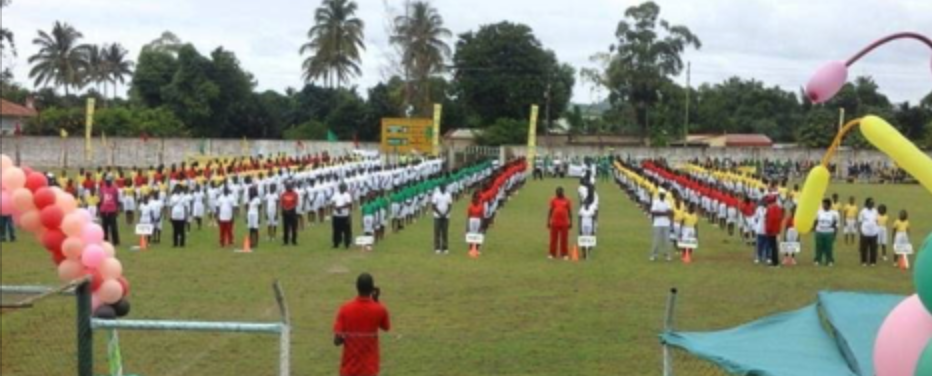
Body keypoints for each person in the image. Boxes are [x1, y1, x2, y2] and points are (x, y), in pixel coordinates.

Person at [333, 273, 391, 376]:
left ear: (357, 287)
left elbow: (337, 341)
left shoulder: (345, 309)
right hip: (369, 369)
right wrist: (376, 301)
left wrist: (344, 338)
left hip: (349, 369)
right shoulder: (379, 309)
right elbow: (386, 327)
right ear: (372, 289)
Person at [547, 187, 572, 260]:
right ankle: (552, 253)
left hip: (564, 223)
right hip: (554, 222)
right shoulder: (553, 200)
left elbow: (569, 212)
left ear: (562, 192)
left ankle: (564, 254)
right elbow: (550, 211)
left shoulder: (567, 200)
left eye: (559, 193)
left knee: (564, 239)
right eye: (557, 193)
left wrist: (571, 222)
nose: (558, 194)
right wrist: (548, 221)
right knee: (553, 239)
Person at [649, 189, 673, 262]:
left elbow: (670, 213)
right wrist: (665, 213)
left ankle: (667, 255)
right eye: (661, 194)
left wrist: (660, 213)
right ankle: (653, 255)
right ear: (659, 195)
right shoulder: (656, 202)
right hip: (657, 224)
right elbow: (653, 213)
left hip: (666, 224)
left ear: (665, 195)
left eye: (663, 194)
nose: (662, 196)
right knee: (656, 240)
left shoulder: (667, 202)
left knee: (667, 240)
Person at [814, 199, 838, 266]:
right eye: (823, 204)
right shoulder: (819, 212)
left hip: (829, 232)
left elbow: (835, 225)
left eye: (825, 204)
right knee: (819, 247)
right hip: (819, 231)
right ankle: (817, 260)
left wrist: (835, 235)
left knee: (828, 247)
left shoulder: (834, 213)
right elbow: (816, 222)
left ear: (829, 205)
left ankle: (829, 261)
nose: (823, 205)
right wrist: (815, 230)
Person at [98, 176, 122, 246]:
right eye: (106, 181)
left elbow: (116, 199)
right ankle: (105, 240)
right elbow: (101, 199)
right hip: (104, 210)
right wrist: (100, 209)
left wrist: (117, 209)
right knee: (104, 226)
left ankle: (116, 241)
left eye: (109, 181)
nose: (108, 182)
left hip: (112, 210)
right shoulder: (102, 188)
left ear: (111, 181)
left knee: (113, 227)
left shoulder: (115, 189)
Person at [431, 183, 453, 255]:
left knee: (445, 232)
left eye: (444, 187)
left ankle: (445, 248)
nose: (443, 188)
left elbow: (450, 206)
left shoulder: (448, 195)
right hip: (437, 216)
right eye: (442, 187)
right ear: (439, 188)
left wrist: (445, 214)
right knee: (437, 232)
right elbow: (433, 206)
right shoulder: (436, 195)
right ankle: (437, 248)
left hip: (446, 216)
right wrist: (440, 214)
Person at [857, 197, 880, 267]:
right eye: (870, 203)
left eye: (873, 203)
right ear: (867, 203)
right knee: (864, 248)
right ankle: (864, 261)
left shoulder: (875, 211)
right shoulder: (863, 211)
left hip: (874, 233)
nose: (872, 204)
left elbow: (877, 221)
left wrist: (877, 229)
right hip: (865, 233)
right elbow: (860, 222)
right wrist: (860, 231)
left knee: (873, 248)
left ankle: (873, 262)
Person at [332, 183, 353, 249]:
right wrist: (335, 207)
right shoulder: (336, 194)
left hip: (345, 215)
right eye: (341, 187)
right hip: (336, 215)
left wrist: (340, 207)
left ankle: (347, 243)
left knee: (346, 230)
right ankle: (336, 243)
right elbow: (333, 202)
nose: (342, 188)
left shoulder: (347, 195)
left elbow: (349, 204)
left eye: (343, 187)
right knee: (336, 230)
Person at [578, 187, 597, 260]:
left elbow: (593, 219)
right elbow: (579, 218)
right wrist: (579, 228)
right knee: (582, 239)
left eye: (587, 203)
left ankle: (588, 251)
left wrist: (593, 228)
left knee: (591, 239)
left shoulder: (592, 209)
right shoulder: (582, 209)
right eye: (584, 202)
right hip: (583, 225)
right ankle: (583, 253)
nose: (585, 204)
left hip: (590, 225)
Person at [764, 196, 783, 267]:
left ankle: (775, 262)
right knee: (774, 247)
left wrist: (768, 230)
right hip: (776, 230)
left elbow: (770, 220)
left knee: (773, 247)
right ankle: (774, 261)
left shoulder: (771, 209)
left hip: (771, 231)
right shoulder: (778, 208)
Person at [280, 182, 299, 246]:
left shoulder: (295, 194)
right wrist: (285, 209)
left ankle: (294, 241)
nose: (288, 188)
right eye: (287, 187)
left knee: (294, 227)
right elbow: (281, 203)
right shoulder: (283, 194)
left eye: (289, 186)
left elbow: (296, 203)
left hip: (292, 212)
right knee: (285, 227)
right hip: (285, 213)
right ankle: (285, 241)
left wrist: (289, 209)